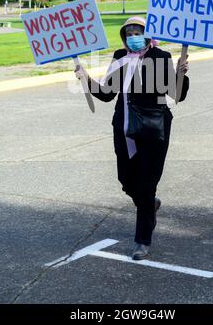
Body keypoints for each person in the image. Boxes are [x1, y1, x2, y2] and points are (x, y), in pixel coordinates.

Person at [75, 16, 189, 260]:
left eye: (138, 32)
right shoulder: (120, 57)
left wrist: (181, 74)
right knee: (126, 179)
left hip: (154, 127)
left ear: (148, 35)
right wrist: (85, 78)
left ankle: (142, 240)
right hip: (124, 128)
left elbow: (177, 94)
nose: (133, 37)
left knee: (147, 183)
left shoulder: (161, 57)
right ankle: (149, 203)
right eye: (129, 33)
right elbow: (107, 94)